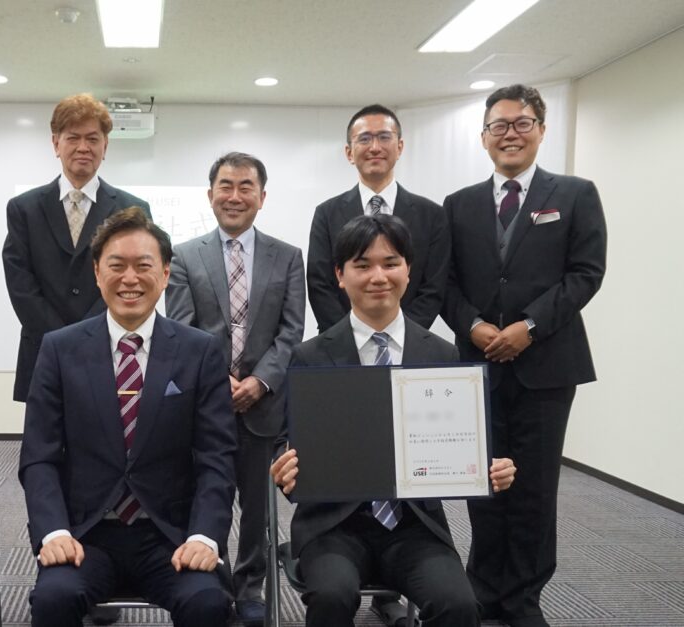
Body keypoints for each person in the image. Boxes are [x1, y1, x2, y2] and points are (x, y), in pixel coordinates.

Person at [270, 214, 517, 627]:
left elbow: (462, 439)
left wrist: (488, 468)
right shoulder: (311, 355)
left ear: (408, 269)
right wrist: (284, 463)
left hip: (414, 526)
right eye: (362, 265)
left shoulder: (441, 354)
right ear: (340, 275)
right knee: (331, 596)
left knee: (458, 604)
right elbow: (286, 437)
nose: (378, 276)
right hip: (332, 527)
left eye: (390, 263)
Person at [18, 207, 236, 627]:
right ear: (97, 273)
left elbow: (217, 458)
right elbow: (39, 457)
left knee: (207, 602)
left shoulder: (200, 351)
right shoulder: (59, 349)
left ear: (166, 273)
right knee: (53, 598)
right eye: (116, 266)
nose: (130, 278)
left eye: (144, 266)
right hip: (86, 535)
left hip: (170, 536)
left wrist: (204, 537)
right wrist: (54, 532)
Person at [442, 84, 607, 627]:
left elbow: (586, 274)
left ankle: (522, 598)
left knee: (534, 487)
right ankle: (484, 588)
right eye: (499, 125)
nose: (510, 133)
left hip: (547, 366)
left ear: (541, 129)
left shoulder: (575, 194)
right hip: (478, 367)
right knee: (483, 481)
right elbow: (444, 283)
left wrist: (529, 327)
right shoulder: (459, 204)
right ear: (483, 136)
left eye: (521, 123)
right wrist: (474, 325)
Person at [166, 152, 304, 625]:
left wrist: (259, 381)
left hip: (264, 403)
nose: (235, 195)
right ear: (210, 195)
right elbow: (181, 326)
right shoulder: (184, 256)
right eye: (226, 186)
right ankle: (215, 580)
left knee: (258, 507)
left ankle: (250, 586)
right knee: (208, 494)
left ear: (262, 197)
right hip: (205, 403)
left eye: (246, 187)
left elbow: (291, 331)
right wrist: (218, 380)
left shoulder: (288, 256)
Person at [3, 93, 150, 403]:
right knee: (45, 432)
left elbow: (132, 279)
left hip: (110, 349)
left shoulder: (132, 209)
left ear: (105, 146)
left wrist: (89, 335)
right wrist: (61, 340)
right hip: (42, 349)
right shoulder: (24, 208)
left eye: (92, 139)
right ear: (56, 143)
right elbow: (21, 286)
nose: (83, 147)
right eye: (73, 138)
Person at [307, 104, 449, 334]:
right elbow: (319, 284)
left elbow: (434, 287)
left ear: (400, 147)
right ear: (349, 153)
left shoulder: (431, 215)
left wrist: (399, 335)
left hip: (410, 343)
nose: (374, 147)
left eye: (384, 137)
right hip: (342, 344)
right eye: (364, 139)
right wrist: (353, 337)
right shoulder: (326, 213)